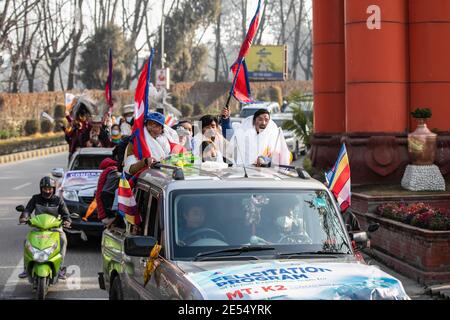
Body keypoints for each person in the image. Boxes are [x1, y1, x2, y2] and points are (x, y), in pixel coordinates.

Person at [18, 177, 71, 279]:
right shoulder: (35, 198)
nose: (47, 191)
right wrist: (24, 217)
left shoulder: (58, 200)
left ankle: (60, 267)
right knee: (26, 241)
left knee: (63, 240)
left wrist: (67, 221)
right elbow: (28, 210)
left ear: (53, 189)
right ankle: (26, 268)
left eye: (50, 189)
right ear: (41, 188)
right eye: (45, 189)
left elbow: (66, 214)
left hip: (55, 228)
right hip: (38, 227)